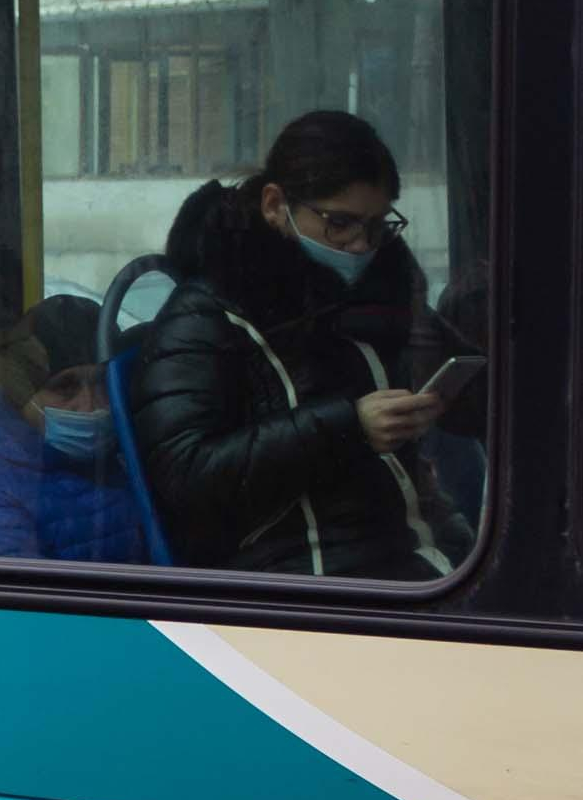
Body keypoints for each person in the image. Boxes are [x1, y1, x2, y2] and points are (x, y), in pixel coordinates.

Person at [132, 110, 469, 579]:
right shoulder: (206, 316)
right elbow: (185, 476)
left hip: (406, 550)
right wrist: (349, 428)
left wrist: (449, 387)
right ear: (275, 205)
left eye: (376, 227)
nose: (359, 246)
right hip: (305, 577)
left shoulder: (378, 296)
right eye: (339, 223)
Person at [0, 296, 146, 565]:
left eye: (102, 384)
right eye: (64, 387)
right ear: (22, 395)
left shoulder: (123, 461)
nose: (89, 406)